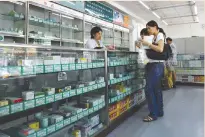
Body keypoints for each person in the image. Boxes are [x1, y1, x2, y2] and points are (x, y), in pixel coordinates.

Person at [138, 20, 165, 122]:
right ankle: (159, 111)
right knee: (156, 90)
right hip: (154, 65)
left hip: (155, 66)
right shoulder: (154, 36)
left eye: (149, 28)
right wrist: (142, 44)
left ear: (155, 27)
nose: (148, 30)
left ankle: (153, 114)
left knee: (149, 90)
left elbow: (160, 49)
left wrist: (147, 44)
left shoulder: (159, 35)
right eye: (147, 28)